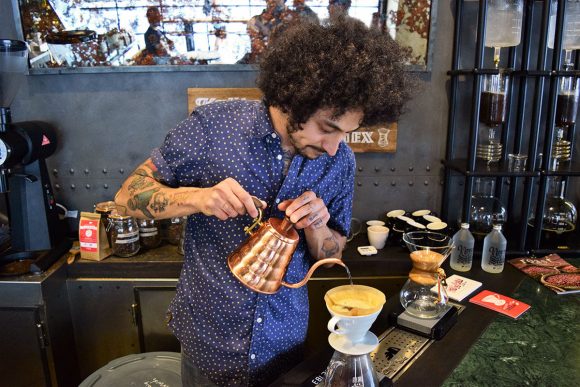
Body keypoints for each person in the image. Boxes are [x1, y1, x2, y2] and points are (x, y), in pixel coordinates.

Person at [115, 15, 414, 386]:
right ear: (295, 98)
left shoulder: (339, 161)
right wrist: (200, 198)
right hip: (209, 343)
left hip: (284, 348)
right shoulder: (215, 127)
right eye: (328, 129)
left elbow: (332, 254)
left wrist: (318, 226)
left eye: (346, 135)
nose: (334, 146)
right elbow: (127, 195)